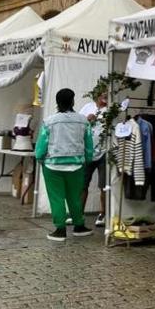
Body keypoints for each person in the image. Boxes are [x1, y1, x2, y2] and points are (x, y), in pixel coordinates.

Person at [35, 88, 94, 242]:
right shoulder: (83, 121)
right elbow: (89, 146)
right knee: (75, 197)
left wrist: (39, 157)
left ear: (57, 102)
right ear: (73, 101)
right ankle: (79, 226)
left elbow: (41, 148)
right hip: (77, 165)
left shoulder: (49, 122)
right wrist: (87, 159)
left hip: (53, 166)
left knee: (57, 198)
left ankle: (60, 230)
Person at [79, 87, 108, 227]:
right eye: (103, 94)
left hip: (104, 152)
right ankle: (78, 214)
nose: (105, 96)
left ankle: (103, 214)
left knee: (104, 186)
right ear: (96, 95)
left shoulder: (111, 110)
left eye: (107, 94)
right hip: (88, 151)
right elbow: (77, 125)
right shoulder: (87, 107)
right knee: (82, 184)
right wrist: (86, 120)